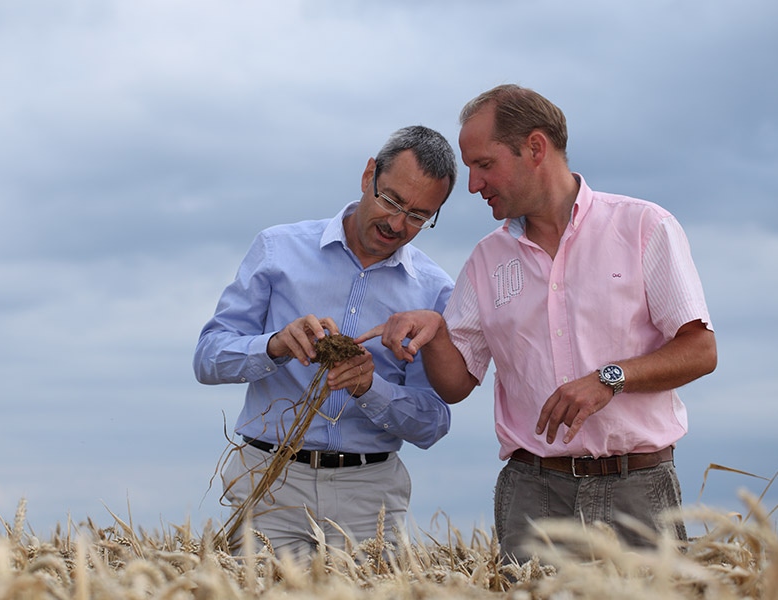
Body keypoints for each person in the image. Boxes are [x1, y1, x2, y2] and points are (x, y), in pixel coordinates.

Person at [360, 85, 717, 563]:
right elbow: (456, 384)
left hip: (640, 489)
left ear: (534, 148)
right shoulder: (487, 259)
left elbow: (700, 350)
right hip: (533, 494)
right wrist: (436, 332)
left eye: (483, 165)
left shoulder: (644, 226)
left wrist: (609, 380)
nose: (472, 185)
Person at [193, 125, 458, 558]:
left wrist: (371, 388)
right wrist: (275, 345)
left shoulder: (434, 292)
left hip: (370, 496)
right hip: (271, 483)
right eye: (390, 200)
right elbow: (207, 358)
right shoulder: (278, 249)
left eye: (417, 216)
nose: (396, 223)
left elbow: (434, 422)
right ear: (368, 175)